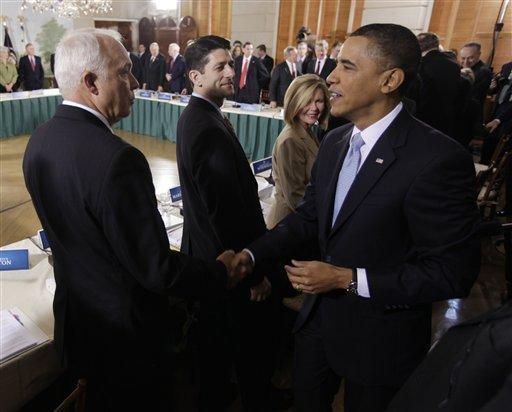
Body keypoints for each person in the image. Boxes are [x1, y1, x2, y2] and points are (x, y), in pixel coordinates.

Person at [232, 23, 481, 412]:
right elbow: (310, 217)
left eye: (347, 66)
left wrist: (348, 279)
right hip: (318, 328)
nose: (331, 76)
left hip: (381, 342)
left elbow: (453, 271)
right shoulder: (334, 141)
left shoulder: (437, 158)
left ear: (390, 79)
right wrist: (251, 255)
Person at [23, 28, 243, 411]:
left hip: (78, 327)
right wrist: (220, 272)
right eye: (124, 72)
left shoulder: (40, 140)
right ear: (91, 82)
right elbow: (156, 269)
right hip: (126, 342)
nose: (136, 81)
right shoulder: (117, 159)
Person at [177, 35, 277, 411]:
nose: (230, 71)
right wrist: (252, 271)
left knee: (218, 351)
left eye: (230, 64)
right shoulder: (204, 125)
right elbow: (225, 211)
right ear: (195, 76)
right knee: (240, 347)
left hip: (211, 256)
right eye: (220, 66)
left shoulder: (203, 115)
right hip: (226, 263)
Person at [268, 74, 330, 228]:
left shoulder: (307, 131)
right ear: (294, 102)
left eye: (319, 101)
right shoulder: (290, 139)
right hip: (288, 225)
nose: (314, 108)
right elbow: (295, 197)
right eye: (307, 101)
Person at [415, 32, 461, 138]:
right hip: (447, 117)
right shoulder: (454, 64)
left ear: (419, 46)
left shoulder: (422, 63)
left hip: (424, 118)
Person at [460, 42, 493, 107]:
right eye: (463, 58)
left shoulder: (484, 72)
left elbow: (473, 96)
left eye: (470, 58)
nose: (466, 62)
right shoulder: (461, 68)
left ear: (479, 54)